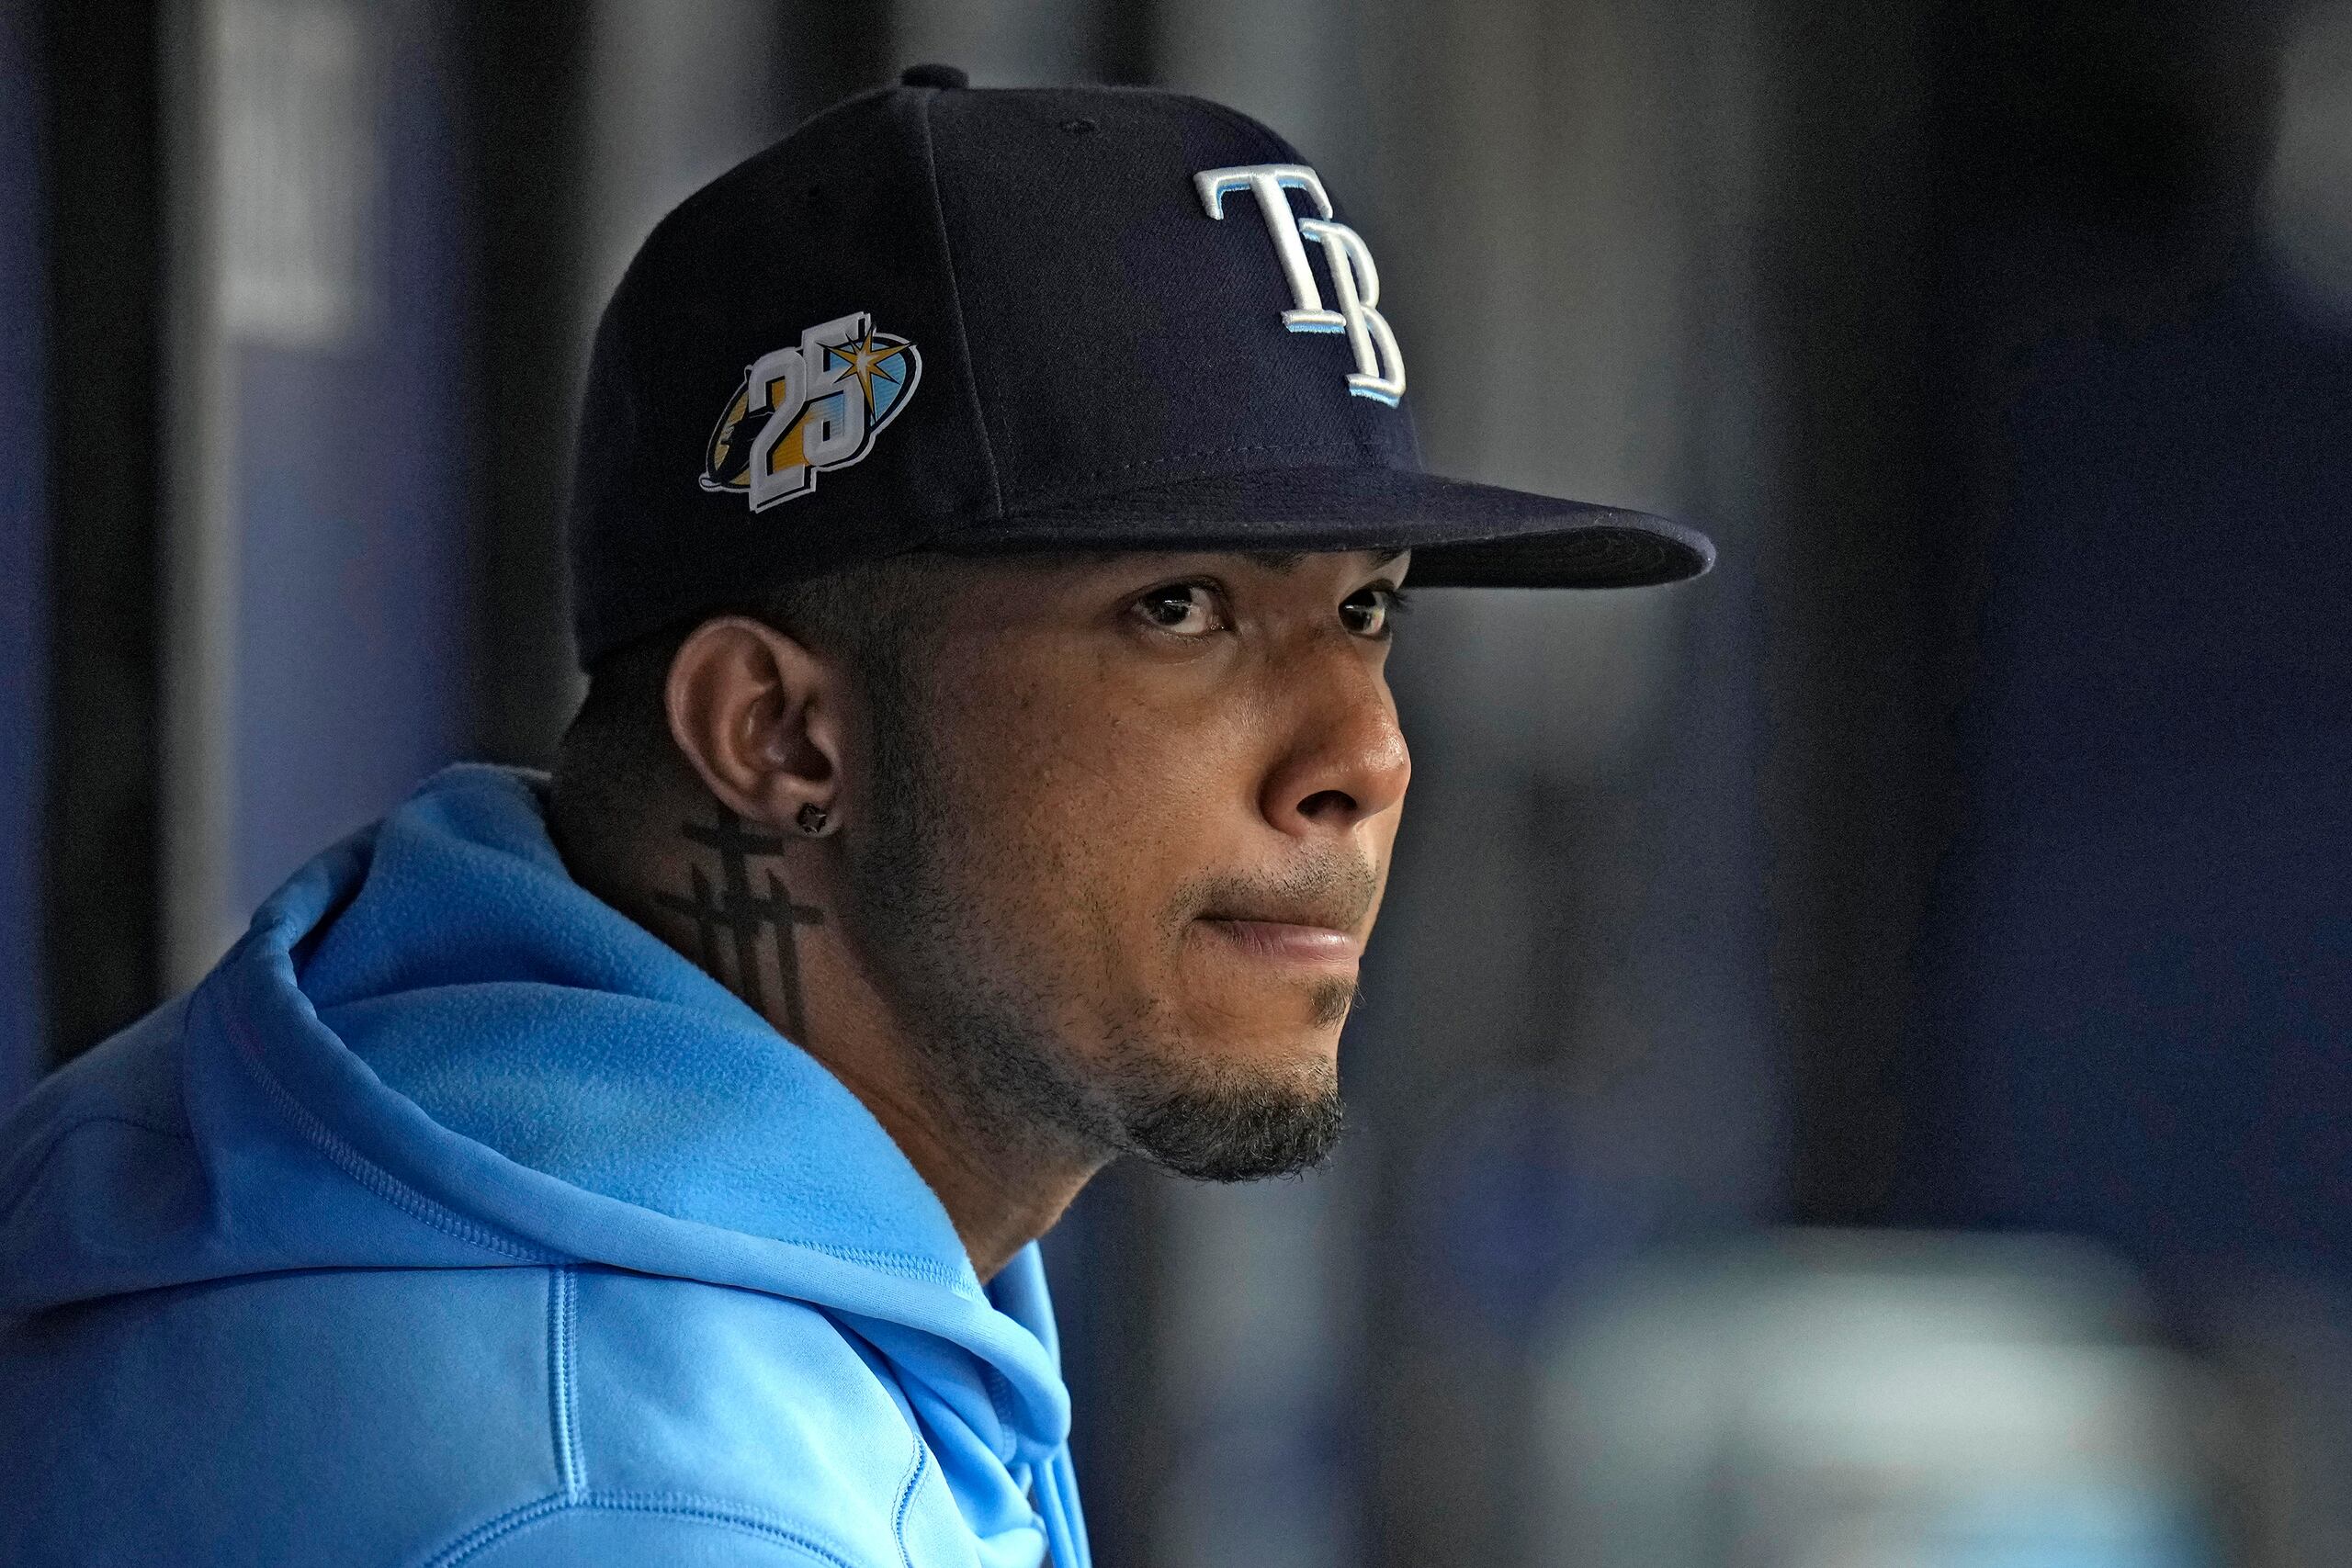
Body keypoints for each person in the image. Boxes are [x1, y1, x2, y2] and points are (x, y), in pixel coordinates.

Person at [0, 66, 1710, 1568]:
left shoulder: (411, 1146)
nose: (1366, 753)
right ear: (776, 733)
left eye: (1367, 612)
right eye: (1182, 610)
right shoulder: (656, 1510)